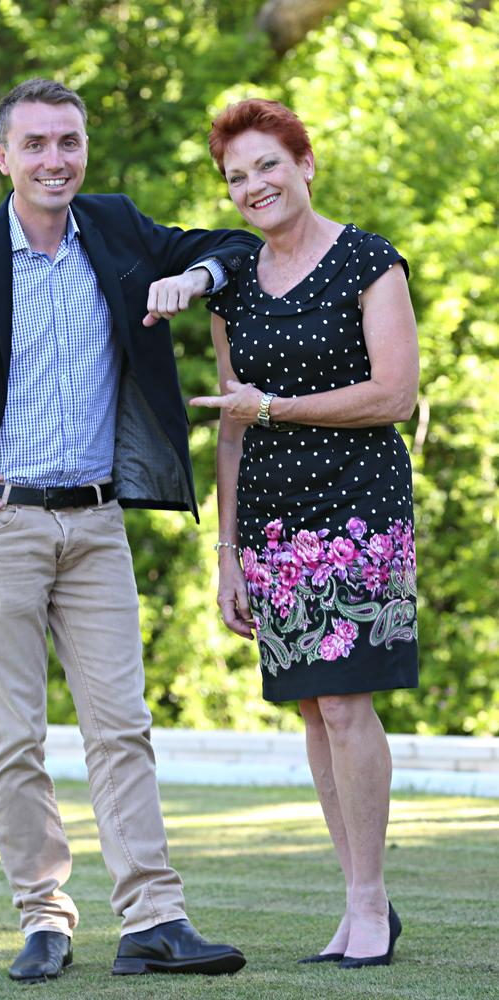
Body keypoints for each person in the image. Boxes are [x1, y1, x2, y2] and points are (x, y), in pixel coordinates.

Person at [0, 78, 258, 983]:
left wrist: (190, 277)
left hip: (98, 521)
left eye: (67, 142)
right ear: (3, 156)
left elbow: (235, 244)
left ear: (83, 150)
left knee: (123, 727)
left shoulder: (116, 230)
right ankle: (44, 920)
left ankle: (155, 920)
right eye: (34, 144)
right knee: (16, 737)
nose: (54, 160)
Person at [190, 98, 419, 969]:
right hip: (274, 521)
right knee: (313, 713)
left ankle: (368, 904)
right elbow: (231, 423)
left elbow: (393, 395)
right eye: (236, 175)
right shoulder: (235, 282)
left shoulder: (368, 260)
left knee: (346, 701)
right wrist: (225, 556)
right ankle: (362, 901)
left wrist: (276, 405)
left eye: (267, 165)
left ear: (306, 164)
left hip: (359, 510)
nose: (254, 185)